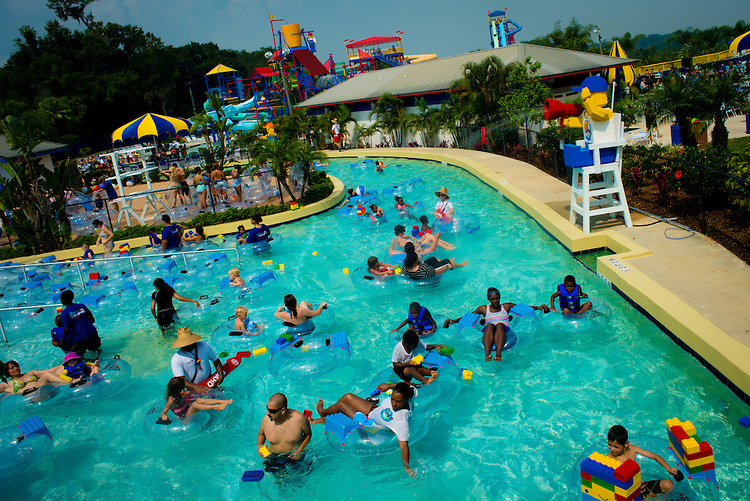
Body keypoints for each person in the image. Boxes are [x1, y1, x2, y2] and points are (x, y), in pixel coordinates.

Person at [311, 382, 419, 476]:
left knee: (342, 405)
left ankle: (323, 414)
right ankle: (324, 418)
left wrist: (407, 467)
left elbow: (404, 445)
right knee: (347, 396)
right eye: (392, 399)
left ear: (406, 399)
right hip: (374, 411)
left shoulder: (400, 420)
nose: (394, 404)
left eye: (398, 402)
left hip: (369, 423)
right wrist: (389, 385)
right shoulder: (410, 393)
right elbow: (412, 385)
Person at [445, 287, 545, 362]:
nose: (495, 301)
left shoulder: (506, 306)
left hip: (504, 329)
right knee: (489, 325)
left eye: (497, 298)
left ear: (499, 297)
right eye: (493, 299)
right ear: (489, 299)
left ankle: (498, 354)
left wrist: (538, 307)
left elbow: (523, 308)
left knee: (500, 325)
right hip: (489, 330)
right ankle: (487, 354)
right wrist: (453, 321)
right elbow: (469, 317)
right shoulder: (484, 309)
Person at [607, 424, 680, 498]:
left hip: (640, 486)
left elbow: (654, 456)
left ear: (626, 444)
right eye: (610, 445)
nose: (612, 449)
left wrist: (669, 469)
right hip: (626, 494)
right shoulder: (608, 459)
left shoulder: (632, 449)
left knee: (669, 484)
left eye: (616, 447)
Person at [257, 393, 312, 470]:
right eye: (267, 409)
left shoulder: (299, 419)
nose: (267, 413)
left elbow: (308, 434)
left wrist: (299, 451)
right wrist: (259, 446)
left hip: (294, 457)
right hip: (274, 457)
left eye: (272, 411)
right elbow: (261, 434)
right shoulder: (265, 421)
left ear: (282, 410)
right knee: (278, 481)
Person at [170, 327, 223, 395]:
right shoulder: (176, 358)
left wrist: (221, 375)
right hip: (192, 390)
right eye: (185, 344)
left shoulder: (205, 345)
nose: (187, 345)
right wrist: (196, 387)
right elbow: (180, 380)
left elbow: (216, 360)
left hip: (210, 381)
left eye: (189, 342)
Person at [159, 376, 232, 423]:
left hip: (188, 412)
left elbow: (184, 395)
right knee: (194, 405)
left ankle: (223, 401)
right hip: (185, 420)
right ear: (178, 389)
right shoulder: (171, 400)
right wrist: (164, 415)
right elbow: (163, 412)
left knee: (199, 400)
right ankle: (216, 407)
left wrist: (186, 393)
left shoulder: (180, 393)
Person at [60, 289, 101, 357]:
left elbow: (66, 330)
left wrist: (62, 341)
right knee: (96, 352)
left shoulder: (64, 313)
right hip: (92, 333)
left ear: (63, 300)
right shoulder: (81, 306)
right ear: (73, 297)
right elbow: (92, 320)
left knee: (74, 357)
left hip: (80, 337)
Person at [3, 360, 67, 395]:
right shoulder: (8, 384)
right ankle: (70, 381)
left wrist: (64, 363)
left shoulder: (30, 373)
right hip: (34, 395)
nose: (16, 368)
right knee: (46, 375)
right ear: (7, 371)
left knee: (63, 367)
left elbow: (49, 371)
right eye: (12, 368)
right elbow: (47, 374)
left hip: (45, 388)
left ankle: (67, 379)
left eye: (16, 366)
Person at [400, 249, 466, 280]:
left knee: (433, 258)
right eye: (417, 257)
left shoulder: (404, 267)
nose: (418, 257)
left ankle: (443, 261)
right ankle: (461, 265)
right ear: (415, 260)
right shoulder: (424, 268)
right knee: (448, 261)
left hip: (422, 270)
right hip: (430, 271)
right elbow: (436, 272)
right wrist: (446, 266)